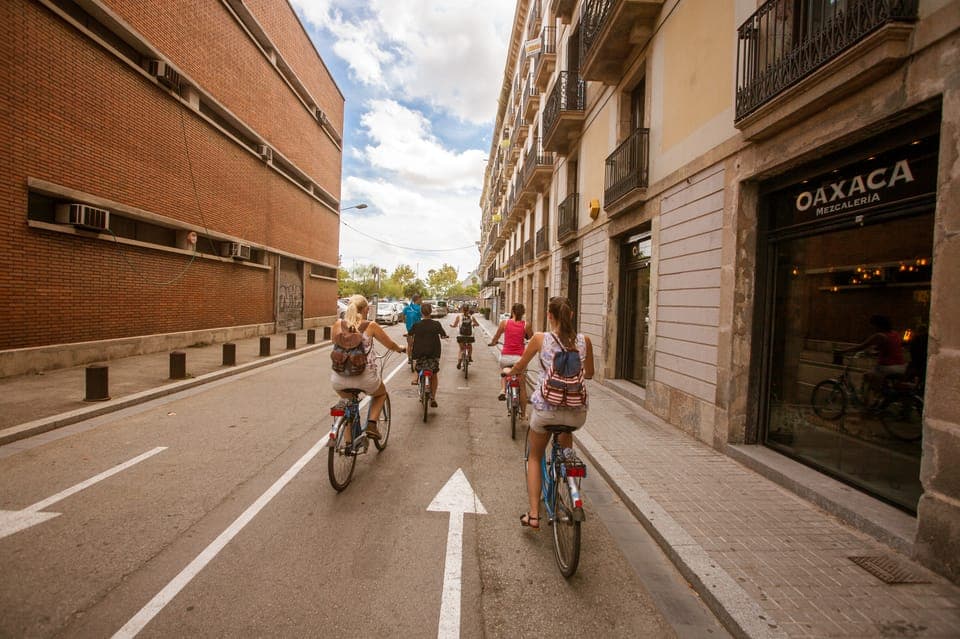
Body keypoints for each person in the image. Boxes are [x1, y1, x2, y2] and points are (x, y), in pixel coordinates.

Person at [507, 297, 594, 530]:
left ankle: (534, 515)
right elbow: (591, 374)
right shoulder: (585, 341)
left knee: (535, 457)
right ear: (571, 315)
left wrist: (510, 372)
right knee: (566, 450)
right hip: (576, 413)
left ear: (549, 316)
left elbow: (521, 365)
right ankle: (573, 492)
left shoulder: (539, 339)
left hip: (547, 410)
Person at [330, 295, 405, 440]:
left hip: (339, 377)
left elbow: (335, 342)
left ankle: (348, 443)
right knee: (381, 393)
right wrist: (400, 348)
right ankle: (371, 424)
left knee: (348, 405)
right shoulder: (371, 326)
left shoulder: (338, 324)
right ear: (366, 309)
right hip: (365, 377)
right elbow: (390, 344)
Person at [836, 314, 907, 399]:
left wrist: (842, 351)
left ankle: (871, 400)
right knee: (879, 379)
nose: (872, 328)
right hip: (901, 366)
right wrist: (873, 353)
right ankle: (882, 393)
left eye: (873, 326)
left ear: (878, 325)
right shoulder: (895, 334)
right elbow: (889, 349)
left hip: (887, 367)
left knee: (867, 376)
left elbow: (861, 346)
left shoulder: (879, 336)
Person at [488, 303, 534, 411]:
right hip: (519, 359)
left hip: (506, 357)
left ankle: (503, 390)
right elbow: (532, 339)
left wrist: (493, 342)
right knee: (522, 387)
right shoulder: (526, 325)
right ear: (523, 313)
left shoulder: (504, 323)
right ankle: (523, 415)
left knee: (504, 370)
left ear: (512, 311)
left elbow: (496, 336)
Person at [409, 302, 448, 406]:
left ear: (421, 312)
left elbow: (410, 334)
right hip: (433, 353)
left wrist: (408, 337)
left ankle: (416, 377)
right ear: (431, 311)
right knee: (434, 374)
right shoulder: (436, 324)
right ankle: (433, 398)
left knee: (417, 363)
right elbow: (443, 335)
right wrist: (444, 336)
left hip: (419, 353)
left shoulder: (417, 325)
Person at [403, 294, 423, 384]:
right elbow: (423, 317)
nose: (421, 301)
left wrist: (405, 322)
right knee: (418, 344)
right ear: (417, 299)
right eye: (420, 299)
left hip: (409, 329)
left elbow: (403, 316)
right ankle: (415, 359)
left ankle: (409, 358)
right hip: (418, 329)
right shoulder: (419, 308)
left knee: (409, 345)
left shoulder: (407, 307)